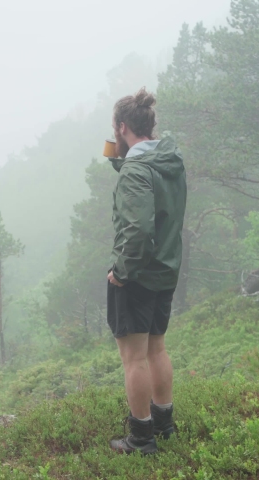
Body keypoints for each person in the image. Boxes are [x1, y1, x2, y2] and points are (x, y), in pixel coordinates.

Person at [106, 87, 187, 455]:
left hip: (138, 275)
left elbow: (138, 229)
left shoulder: (137, 171)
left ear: (122, 127)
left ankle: (140, 437)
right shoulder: (170, 160)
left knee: (134, 357)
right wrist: (123, 162)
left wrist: (122, 271)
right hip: (166, 270)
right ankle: (164, 423)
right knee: (156, 349)